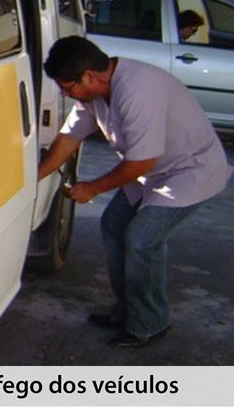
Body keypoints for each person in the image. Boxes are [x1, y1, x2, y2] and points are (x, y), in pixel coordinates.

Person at [39, 36, 232, 348]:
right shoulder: (92, 95)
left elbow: (141, 162)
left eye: (66, 87)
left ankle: (151, 322)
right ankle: (127, 310)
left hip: (190, 171)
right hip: (155, 169)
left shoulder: (138, 89)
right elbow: (69, 138)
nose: (64, 93)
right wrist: (33, 176)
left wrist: (92, 188)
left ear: (88, 76)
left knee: (142, 239)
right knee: (114, 224)